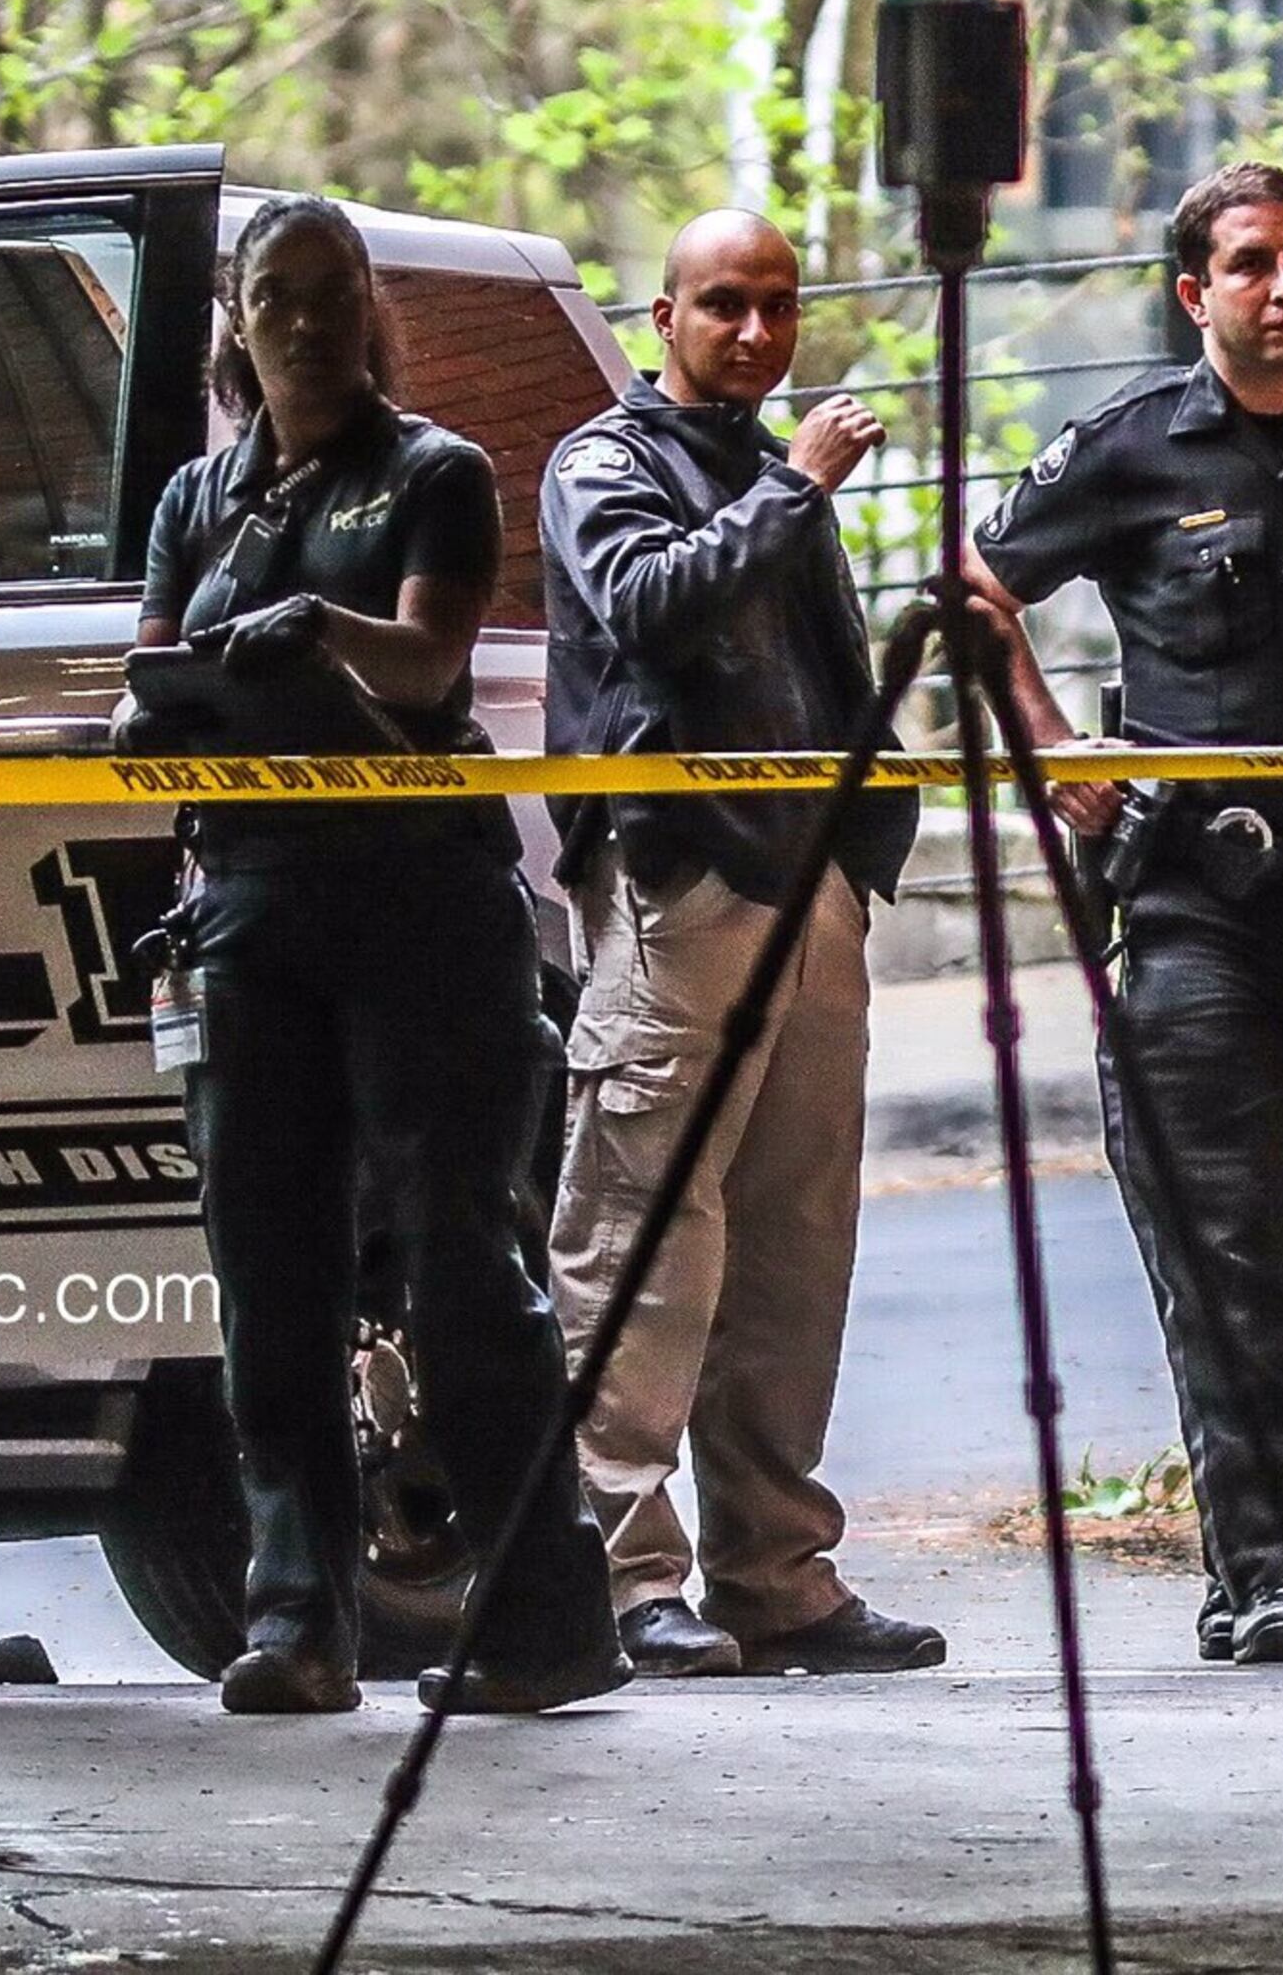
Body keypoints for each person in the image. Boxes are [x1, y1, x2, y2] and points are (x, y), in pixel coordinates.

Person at [130, 192, 623, 1716]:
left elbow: (428, 661)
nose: (306, 323)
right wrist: (164, 710)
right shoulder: (196, 500)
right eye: (276, 297)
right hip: (254, 916)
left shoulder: (437, 472)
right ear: (235, 319)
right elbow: (150, 672)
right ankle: (299, 1621)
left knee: (463, 1267)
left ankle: (545, 1620)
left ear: (371, 314)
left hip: (423, 913)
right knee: (267, 1275)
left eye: (333, 295)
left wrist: (320, 631)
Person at [964, 163, 1283, 1667]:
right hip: (1201, 908)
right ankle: (1266, 1575)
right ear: (1194, 293)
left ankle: (1276, 1547)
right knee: (1228, 1248)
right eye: (1252, 266)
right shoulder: (1137, 447)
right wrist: (1053, 750)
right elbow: (971, 586)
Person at [538, 209, 942, 1678]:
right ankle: (628, 1571)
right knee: (646, 1237)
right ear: (664, 317)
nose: (759, 333)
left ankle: (778, 1571)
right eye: (727, 306)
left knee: (792, 1246)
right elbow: (646, 609)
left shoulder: (758, 472)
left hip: (811, 885)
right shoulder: (606, 461)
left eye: (778, 305)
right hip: (680, 887)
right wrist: (800, 483)